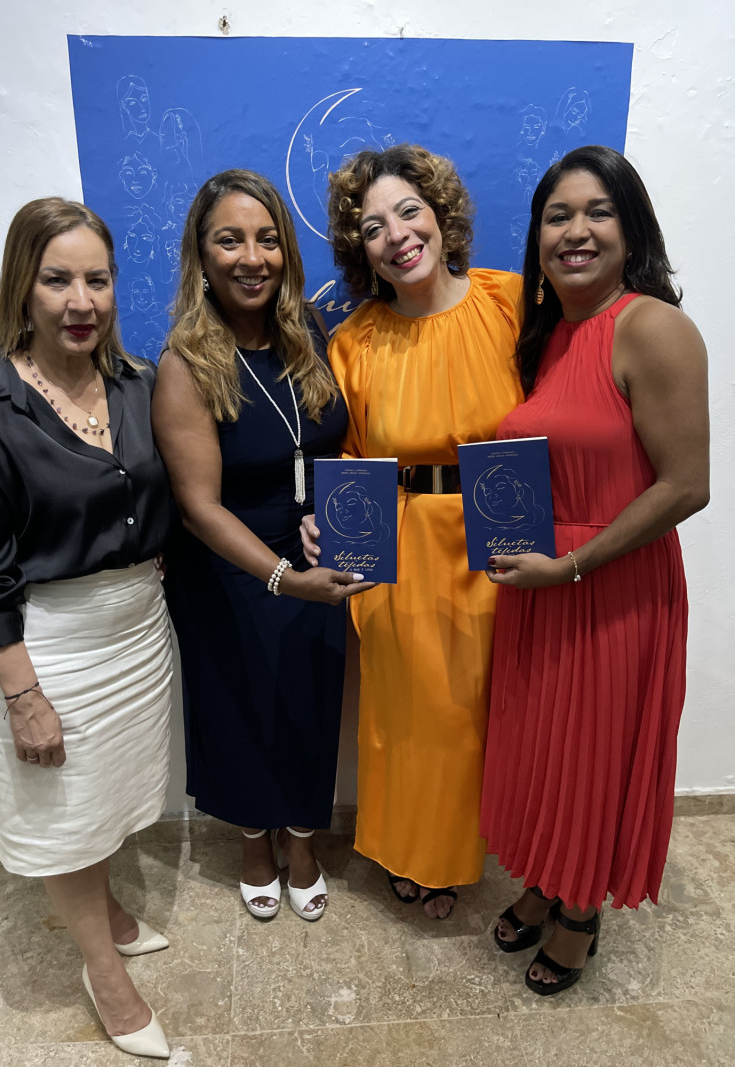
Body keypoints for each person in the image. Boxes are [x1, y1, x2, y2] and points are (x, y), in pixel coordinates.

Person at [0, 199, 174, 1056]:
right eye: (58, 279)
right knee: (62, 813)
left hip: (133, 635)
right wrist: (23, 696)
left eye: (98, 280)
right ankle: (104, 976)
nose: (82, 300)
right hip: (43, 646)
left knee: (103, 800)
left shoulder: (139, 384)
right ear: (22, 287)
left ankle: (106, 907)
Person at [480, 145, 709, 995]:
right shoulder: (551, 337)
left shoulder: (652, 326)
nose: (575, 231)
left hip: (609, 584)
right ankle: (545, 877)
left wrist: (571, 564)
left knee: (596, 752)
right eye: (557, 215)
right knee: (548, 748)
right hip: (544, 584)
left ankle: (581, 908)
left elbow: (688, 485)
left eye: (597, 212)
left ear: (631, 228)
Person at [303, 144, 524, 917]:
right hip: (399, 547)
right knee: (409, 715)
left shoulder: (510, 302)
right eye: (371, 227)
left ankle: (479, 847)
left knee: (484, 713)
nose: (396, 234)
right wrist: (323, 528)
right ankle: (412, 851)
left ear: (439, 214)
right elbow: (351, 456)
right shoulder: (355, 340)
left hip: (503, 543)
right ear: (358, 250)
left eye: (407, 211)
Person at [151, 170, 368, 924]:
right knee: (240, 707)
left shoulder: (310, 331)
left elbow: (334, 447)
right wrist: (282, 575)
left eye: (268, 238)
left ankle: (302, 840)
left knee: (309, 704)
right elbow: (200, 506)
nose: (252, 256)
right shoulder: (186, 363)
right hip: (229, 569)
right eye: (230, 239)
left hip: (315, 553)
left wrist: (327, 526)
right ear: (201, 256)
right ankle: (253, 840)